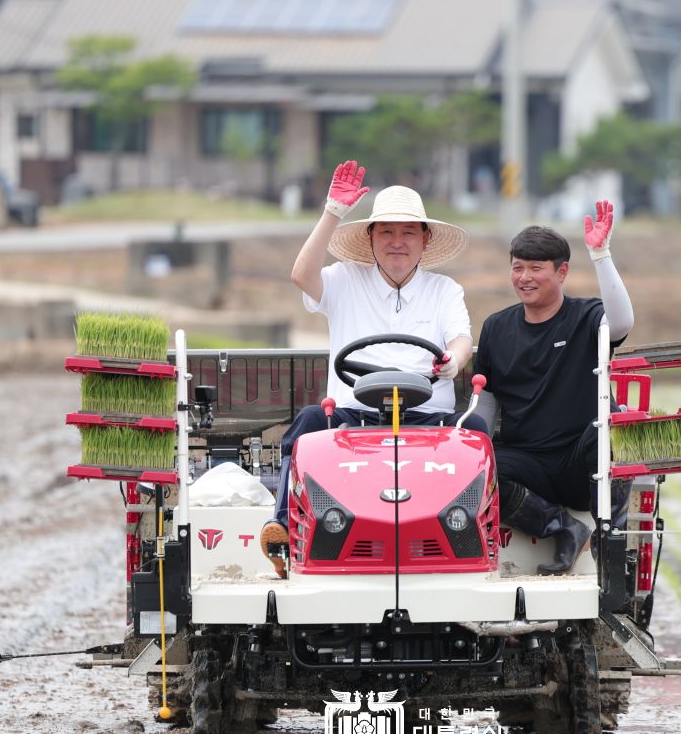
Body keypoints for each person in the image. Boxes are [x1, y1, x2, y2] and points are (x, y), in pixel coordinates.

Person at [259, 160, 485, 576]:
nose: (396, 242)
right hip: (351, 417)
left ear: (425, 239)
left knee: (477, 435)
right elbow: (301, 275)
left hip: (427, 419)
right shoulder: (345, 279)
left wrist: (453, 360)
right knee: (309, 421)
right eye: (386, 232)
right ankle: (283, 524)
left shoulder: (444, 290)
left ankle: (474, 540)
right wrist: (332, 212)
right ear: (371, 237)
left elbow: (461, 339)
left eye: (407, 232)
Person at [473, 201, 634, 575]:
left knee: (613, 424)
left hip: (580, 461)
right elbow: (486, 403)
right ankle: (563, 529)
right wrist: (467, 444)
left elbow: (623, 322)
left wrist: (601, 254)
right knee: (477, 466)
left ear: (562, 272)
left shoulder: (588, 317)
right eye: (517, 267)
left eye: (535, 268)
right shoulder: (496, 327)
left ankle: (611, 547)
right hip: (528, 462)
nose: (524, 277)